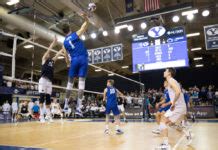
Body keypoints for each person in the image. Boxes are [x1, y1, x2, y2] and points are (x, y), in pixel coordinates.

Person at [62, 13, 91, 117]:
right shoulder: (75, 34)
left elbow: (65, 54)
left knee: (70, 83)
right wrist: (85, 17)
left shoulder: (64, 43)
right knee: (81, 84)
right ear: (69, 28)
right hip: (83, 59)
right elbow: (86, 24)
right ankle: (78, 107)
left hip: (74, 61)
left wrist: (67, 63)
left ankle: (65, 105)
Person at [156, 68, 192, 149]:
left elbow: (178, 92)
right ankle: (187, 134)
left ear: (169, 73)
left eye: (165, 71)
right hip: (177, 106)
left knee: (163, 122)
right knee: (168, 124)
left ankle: (166, 145)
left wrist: (173, 103)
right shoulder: (170, 81)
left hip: (178, 107)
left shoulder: (171, 80)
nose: (164, 72)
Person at [38, 36, 64, 123]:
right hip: (43, 80)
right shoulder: (43, 59)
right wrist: (53, 43)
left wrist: (63, 49)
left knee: (48, 99)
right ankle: (41, 116)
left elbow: (57, 55)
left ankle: (48, 116)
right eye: (47, 53)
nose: (48, 53)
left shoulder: (52, 61)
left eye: (48, 53)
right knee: (42, 98)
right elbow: (48, 50)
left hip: (49, 82)